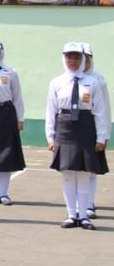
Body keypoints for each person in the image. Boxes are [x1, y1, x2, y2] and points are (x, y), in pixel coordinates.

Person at [46, 43, 109, 230]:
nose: (72, 61)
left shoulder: (93, 83)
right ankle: (71, 215)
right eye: (69, 57)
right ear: (64, 58)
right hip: (64, 128)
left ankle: (84, 215)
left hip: (86, 127)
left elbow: (100, 111)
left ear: (83, 60)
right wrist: (50, 137)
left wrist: (101, 137)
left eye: (76, 57)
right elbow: (51, 111)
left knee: (83, 174)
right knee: (67, 174)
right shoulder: (57, 82)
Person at [0, 40, 26, 206]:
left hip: (6, 113)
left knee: (6, 154)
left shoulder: (10, 72)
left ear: (1, 53)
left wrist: (20, 119)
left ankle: (4, 193)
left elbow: (17, 97)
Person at [81, 43, 110, 220]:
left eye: (86, 59)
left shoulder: (98, 80)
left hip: (93, 128)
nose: (83, 62)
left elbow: (105, 109)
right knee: (76, 169)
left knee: (91, 170)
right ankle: (77, 205)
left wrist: (104, 134)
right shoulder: (66, 79)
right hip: (75, 130)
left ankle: (89, 203)